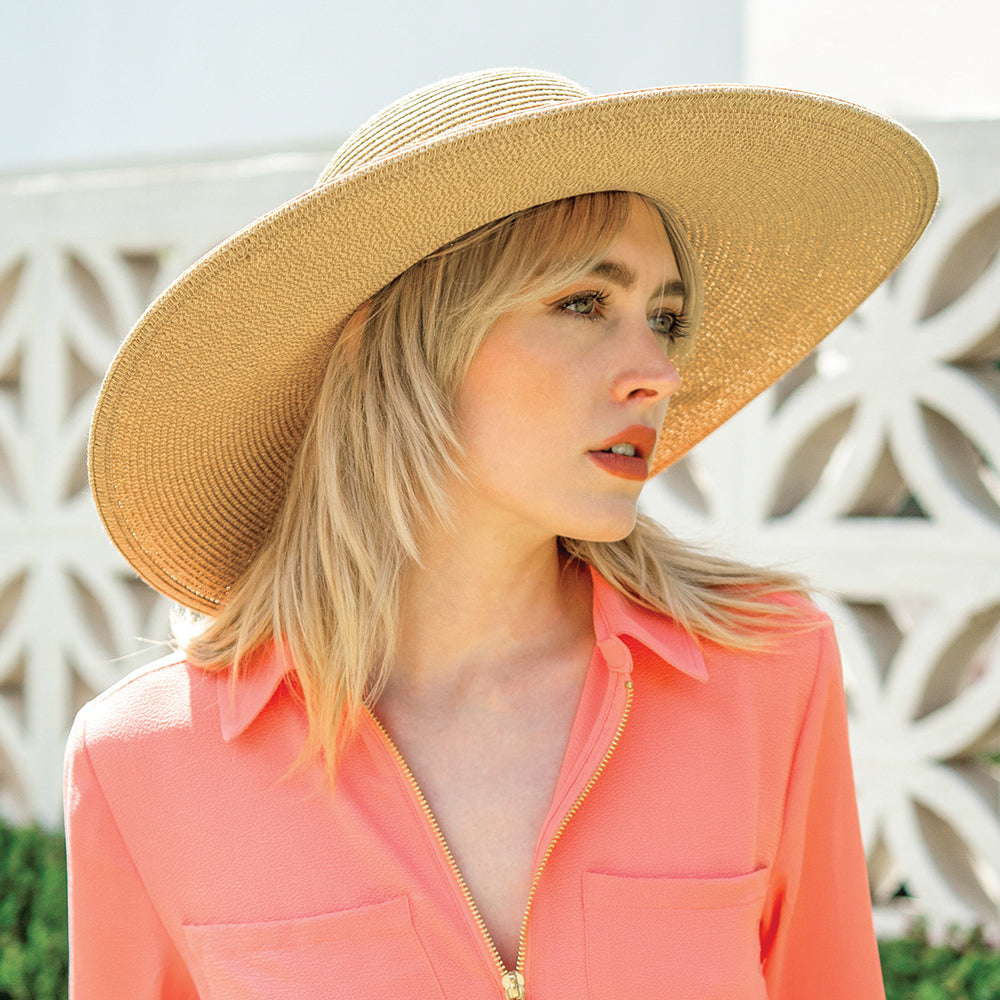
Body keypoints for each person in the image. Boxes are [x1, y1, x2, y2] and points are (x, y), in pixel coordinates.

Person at [65, 68, 937, 999]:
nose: (660, 373)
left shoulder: (767, 669)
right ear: (387, 341)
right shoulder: (143, 759)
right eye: (584, 303)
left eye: (665, 319)